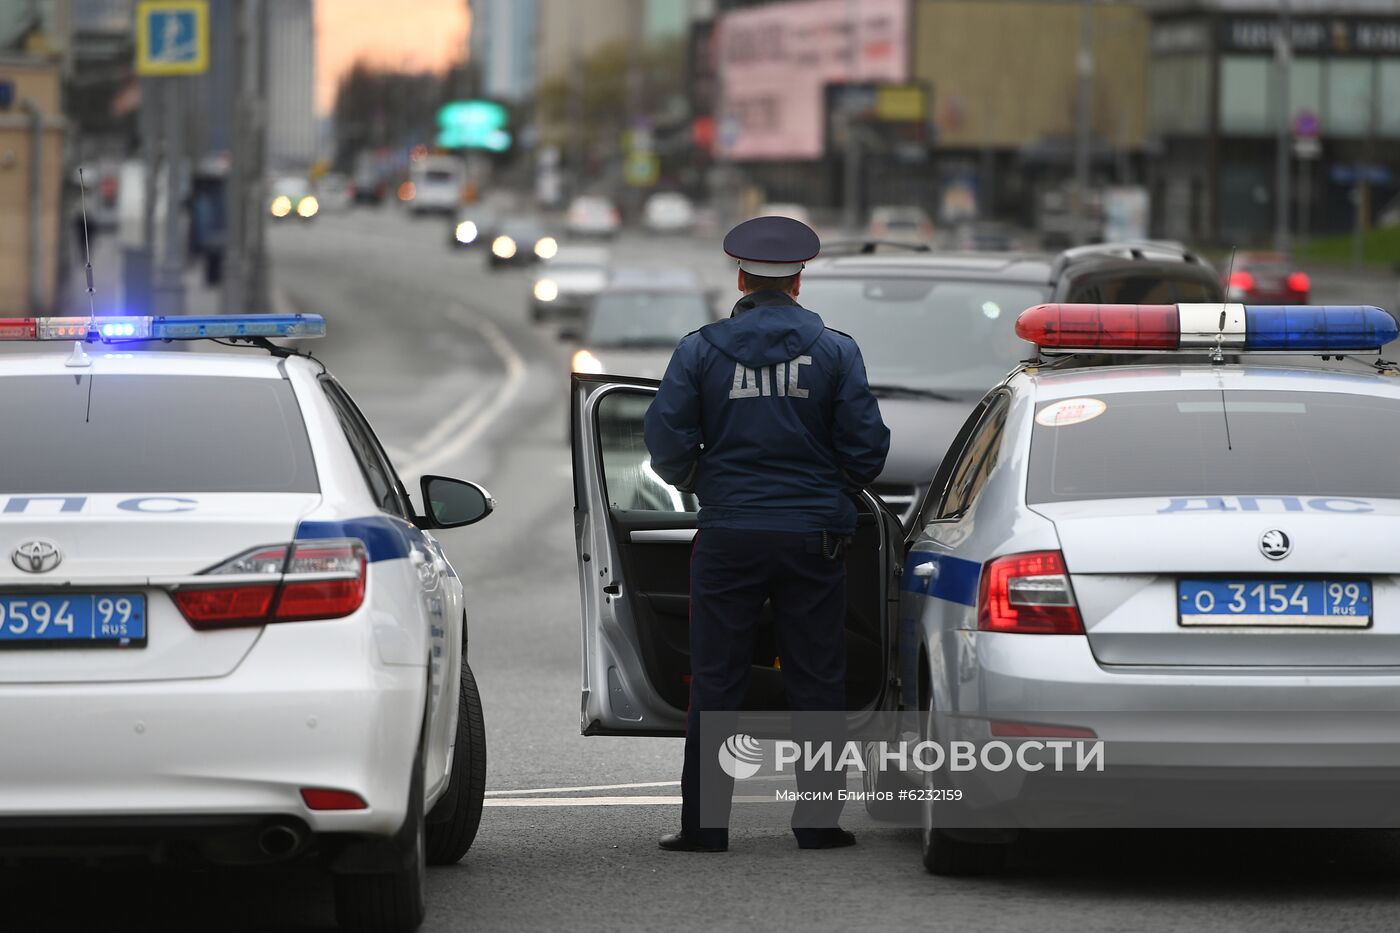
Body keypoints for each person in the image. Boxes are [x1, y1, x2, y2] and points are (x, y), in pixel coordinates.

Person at [643, 215, 891, 853]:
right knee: (816, 676)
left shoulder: (700, 350)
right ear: (799, 281)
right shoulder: (836, 351)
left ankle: (705, 826)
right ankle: (816, 824)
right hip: (813, 538)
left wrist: (707, 480)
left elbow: (665, 443)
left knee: (717, 678)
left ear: (741, 276)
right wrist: (827, 488)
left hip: (728, 535)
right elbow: (867, 450)